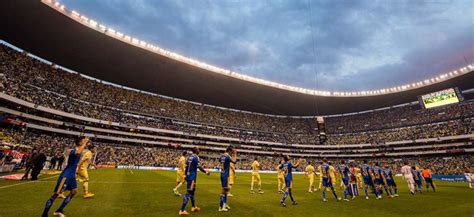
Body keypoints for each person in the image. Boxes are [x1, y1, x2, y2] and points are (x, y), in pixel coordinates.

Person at [41, 136, 89, 217]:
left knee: (74, 191)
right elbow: (78, 152)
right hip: (66, 176)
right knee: (56, 194)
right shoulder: (74, 150)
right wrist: (84, 143)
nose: (86, 141)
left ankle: (59, 210)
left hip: (72, 176)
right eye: (83, 140)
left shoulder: (79, 150)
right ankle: (44, 214)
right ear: (80, 142)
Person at [178, 147, 210, 216]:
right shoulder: (196, 157)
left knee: (192, 191)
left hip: (189, 176)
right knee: (189, 192)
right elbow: (199, 167)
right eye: (198, 149)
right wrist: (206, 172)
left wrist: (185, 175)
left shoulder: (189, 157)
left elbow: (186, 167)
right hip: (192, 177)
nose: (199, 150)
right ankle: (182, 210)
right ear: (196, 151)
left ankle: (193, 207)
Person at [218, 147, 236, 212]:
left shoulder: (222, 156)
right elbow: (234, 162)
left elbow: (220, 161)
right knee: (224, 191)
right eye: (231, 152)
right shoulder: (228, 156)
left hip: (222, 174)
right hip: (225, 175)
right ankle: (221, 207)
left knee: (225, 191)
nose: (231, 153)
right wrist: (234, 155)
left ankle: (224, 205)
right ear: (229, 151)